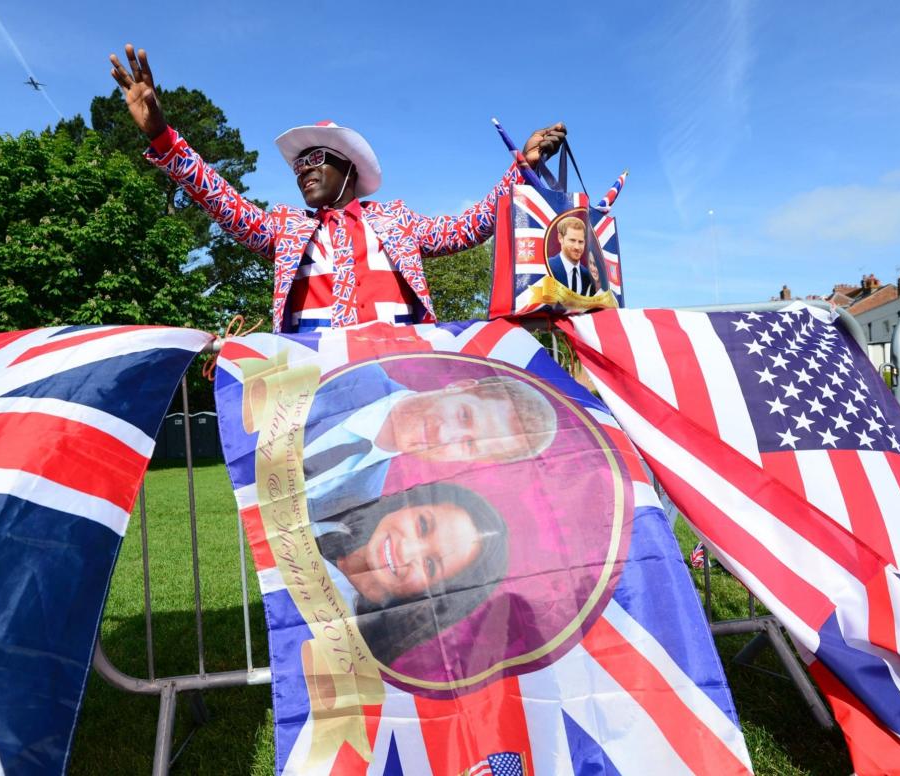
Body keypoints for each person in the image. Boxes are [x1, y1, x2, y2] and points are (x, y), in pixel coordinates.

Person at [109, 45, 568, 332]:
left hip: (399, 381)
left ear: (347, 168)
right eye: (297, 165)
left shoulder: (398, 222)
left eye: (315, 160)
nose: (302, 170)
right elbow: (224, 203)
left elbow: (473, 225)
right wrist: (163, 138)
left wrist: (520, 170)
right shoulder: (285, 230)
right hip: (317, 389)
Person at [302, 363, 557, 517]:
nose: (445, 436)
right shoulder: (347, 368)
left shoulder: (361, 498)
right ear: (460, 387)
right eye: (464, 416)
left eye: (468, 444)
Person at [312, 482, 508, 664]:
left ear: (429, 596)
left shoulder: (344, 655)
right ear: (409, 504)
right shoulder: (328, 496)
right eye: (422, 525)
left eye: (430, 565)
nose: (406, 550)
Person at [545, 216, 595, 296]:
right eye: (572, 240)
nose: (577, 247)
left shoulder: (589, 276)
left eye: (581, 242)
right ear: (560, 238)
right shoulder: (547, 267)